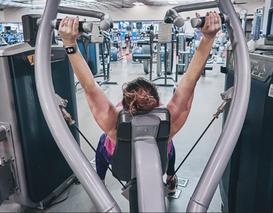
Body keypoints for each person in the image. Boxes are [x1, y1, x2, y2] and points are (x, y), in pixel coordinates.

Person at [58, 11, 221, 194]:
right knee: (169, 143)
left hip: (121, 165)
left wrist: (70, 43)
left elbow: (90, 87)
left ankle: (100, 181)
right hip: (158, 162)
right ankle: (170, 178)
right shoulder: (170, 122)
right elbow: (190, 82)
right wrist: (208, 37)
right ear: (157, 101)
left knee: (104, 141)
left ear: (124, 103)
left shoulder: (114, 123)